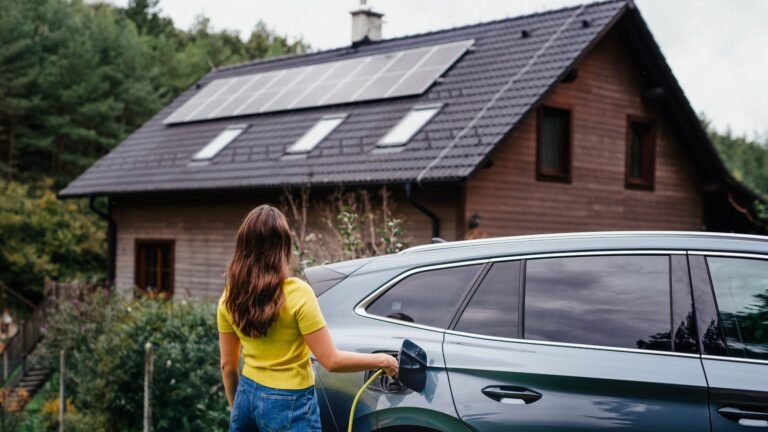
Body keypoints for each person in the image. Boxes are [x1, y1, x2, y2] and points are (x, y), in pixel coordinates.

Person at [218, 204, 398, 432]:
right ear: (282, 247)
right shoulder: (298, 293)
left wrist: (238, 408)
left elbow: (227, 366)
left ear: (243, 246)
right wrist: (382, 360)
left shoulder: (229, 297)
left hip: (246, 394)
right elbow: (331, 361)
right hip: (289, 402)